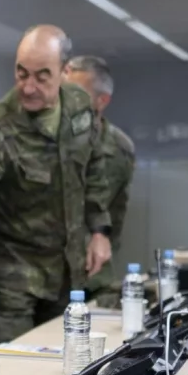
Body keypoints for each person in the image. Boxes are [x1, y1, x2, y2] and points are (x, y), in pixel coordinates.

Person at [0, 25, 112, 345]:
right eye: (21, 73)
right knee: (18, 374)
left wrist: (99, 230)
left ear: (64, 72)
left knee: (65, 369)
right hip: (12, 279)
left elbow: (94, 167)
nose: (28, 87)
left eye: (42, 76)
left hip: (66, 268)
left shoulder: (80, 104)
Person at [65, 55, 136, 308]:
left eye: (77, 93)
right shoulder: (44, 138)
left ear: (101, 101)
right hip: (39, 276)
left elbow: (113, 216)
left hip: (91, 275)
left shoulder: (119, 149)